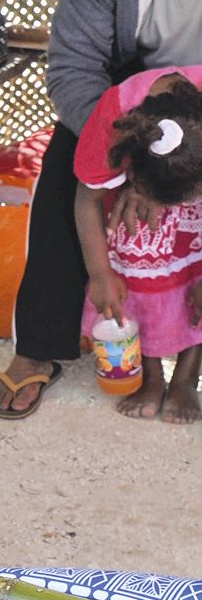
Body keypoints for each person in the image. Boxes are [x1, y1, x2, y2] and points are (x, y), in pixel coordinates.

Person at [0, 0, 202, 418]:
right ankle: (41, 346)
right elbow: (74, 68)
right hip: (129, 100)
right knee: (65, 174)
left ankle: (189, 362)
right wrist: (133, 160)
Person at [74, 67, 202, 423]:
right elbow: (86, 201)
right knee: (138, 277)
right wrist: (99, 274)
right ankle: (151, 374)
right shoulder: (113, 118)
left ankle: (187, 378)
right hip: (142, 216)